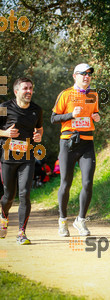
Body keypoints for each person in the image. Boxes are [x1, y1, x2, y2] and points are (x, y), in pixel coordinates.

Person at [51, 63, 100, 236]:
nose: (87, 77)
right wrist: (71, 115)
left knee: (87, 182)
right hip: (68, 143)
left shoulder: (94, 95)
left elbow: (94, 113)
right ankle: (63, 221)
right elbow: (53, 118)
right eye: (83, 74)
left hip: (87, 142)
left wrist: (96, 116)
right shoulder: (65, 94)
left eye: (89, 74)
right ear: (75, 76)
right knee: (66, 183)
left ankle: (80, 220)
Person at [0, 78, 43, 244]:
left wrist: (39, 135)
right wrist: (5, 134)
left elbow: (39, 128)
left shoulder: (36, 110)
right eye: (25, 88)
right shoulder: (4, 108)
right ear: (16, 91)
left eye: (31, 88)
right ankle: (3, 215)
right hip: (7, 157)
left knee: (25, 194)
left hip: (27, 157)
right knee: (9, 196)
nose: (29, 91)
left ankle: (21, 233)